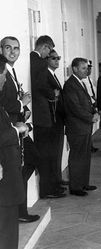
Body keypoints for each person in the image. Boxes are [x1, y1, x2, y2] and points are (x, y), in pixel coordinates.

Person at [0, 36, 40, 222]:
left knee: (30, 161)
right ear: (1, 49)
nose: (12, 52)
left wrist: (24, 110)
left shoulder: (11, 71)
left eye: (16, 48)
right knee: (19, 168)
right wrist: (21, 103)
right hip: (9, 130)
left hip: (18, 125)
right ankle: (17, 212)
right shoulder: (2, 73)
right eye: (8, 48)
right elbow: (4, 104)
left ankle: (19, 210)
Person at [30, 35, 66, 199]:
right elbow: (40, 85)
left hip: (43, 116)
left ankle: (50, 187)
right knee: (45, 154)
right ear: (44, 47)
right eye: (49, 51)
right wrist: (53, 94)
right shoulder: (38, 61)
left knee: (47, 153)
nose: (49, 55)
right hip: (43, 116)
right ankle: (47, 190)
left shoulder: (33, 60)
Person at [0, 54, 28, 249]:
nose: (4, 79)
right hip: (4, 173)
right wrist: (17, 130)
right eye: (3, 75)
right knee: (7, 229)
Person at [63, 57, 100, 196]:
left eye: (87, 68)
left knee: (85, 156)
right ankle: (75, 187)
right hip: (77, 128)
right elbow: (75, 108)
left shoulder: (80, 82)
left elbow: (86, 103)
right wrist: (91, 117)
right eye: (83, 68)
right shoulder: (71, 85)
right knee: (77, 157)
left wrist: (94, 112)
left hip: (83, 127)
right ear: (75, 69)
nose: (87, 70)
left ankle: (84, 183)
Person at [46, 49, 67, 191]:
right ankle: (54, 182)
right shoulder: (46, 75)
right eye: (53, 58)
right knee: (53, 152)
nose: (57, 60)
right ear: (46, 59)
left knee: (58, 151)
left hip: (58, 119)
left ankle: (57, 179)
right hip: (52, 120)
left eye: (58, 58)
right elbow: (51, 96)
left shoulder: (53, 75)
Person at [82, 60, 99, 153]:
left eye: (90, 68)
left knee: (90, 127)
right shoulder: (83, 80)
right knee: (87, 126)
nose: (89, 70)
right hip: (88, 105)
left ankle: (90, 145)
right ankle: (89, 146)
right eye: (87, 68)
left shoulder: (90, 79)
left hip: (93, 104)